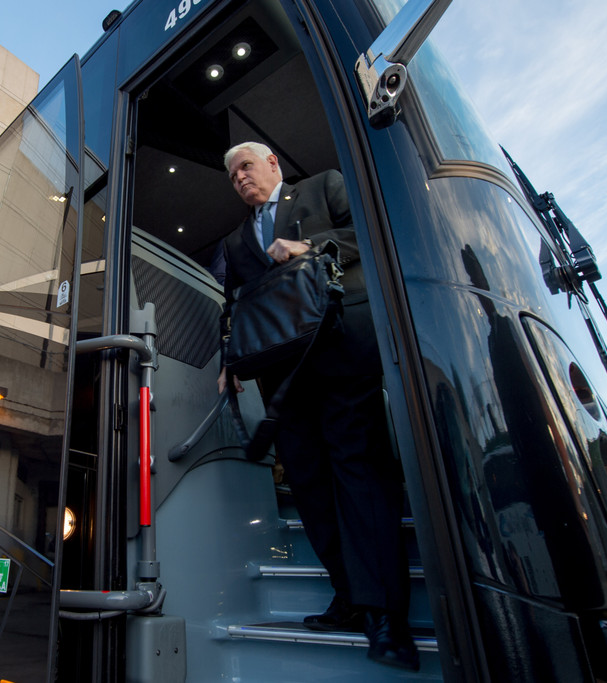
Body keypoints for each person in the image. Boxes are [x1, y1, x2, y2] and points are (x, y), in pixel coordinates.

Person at [217, 141, 418, 670]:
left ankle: (384, 615)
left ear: (273, 163)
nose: (240, 178)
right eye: (232, 176)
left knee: (359, 474)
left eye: (246, 167)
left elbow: (374, 231)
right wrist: (229, 360)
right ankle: (349, 596)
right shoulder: (236, 241)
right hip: (282, 376)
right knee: (308, 485)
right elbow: (233, 304)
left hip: (340, 354)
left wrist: (312, 246)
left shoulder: (323, 187)